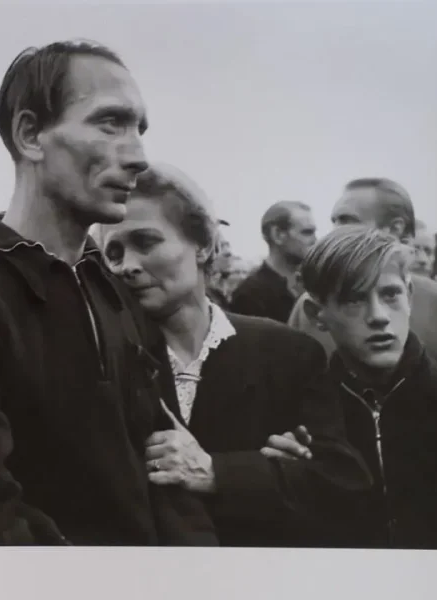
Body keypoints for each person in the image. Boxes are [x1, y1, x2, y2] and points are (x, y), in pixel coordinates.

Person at [0, 40, 216, 546]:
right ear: (30, 135)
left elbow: (164, 468)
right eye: (109, 123)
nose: (137, 156)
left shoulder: (110, 286)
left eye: (139, 129)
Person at [94, 164, 372, 548]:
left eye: (145, 242)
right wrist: (271, 473)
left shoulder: (287, 353)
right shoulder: (103, 361)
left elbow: (341, 483)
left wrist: (216, 472)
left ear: (204, 244)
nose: (126, 265)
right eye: (114, 251)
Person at [279, 225, 437, 549]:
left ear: (410, 295)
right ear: (317, 314)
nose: (378, 317)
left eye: (390, 295)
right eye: (353, 300)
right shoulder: (300, 418)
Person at [288, 178, 437, 370]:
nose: (335, 232)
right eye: (335, 221)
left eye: (347, 221)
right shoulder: (312, 306)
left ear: (396, 227)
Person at [229, 201, 317, 322]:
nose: (315, 240)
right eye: (307, 232)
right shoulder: (250, 295)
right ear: (278, 235)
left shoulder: (314, 286)